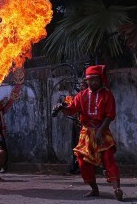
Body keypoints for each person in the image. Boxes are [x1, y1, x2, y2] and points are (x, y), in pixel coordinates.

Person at [52, 65, 123, 201]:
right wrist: (61, 108)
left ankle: (117, 189)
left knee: (108, 158)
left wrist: (100, 131)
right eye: (90, 80)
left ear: (101, 80)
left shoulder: (107, 95)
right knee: (83, 163)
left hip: (102, 131)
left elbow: (110, 115)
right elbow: (71, 110)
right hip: (86, 133)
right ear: (87, 80)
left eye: (96, 79)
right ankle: (94, 189)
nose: (93, 82)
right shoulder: (81, 96)